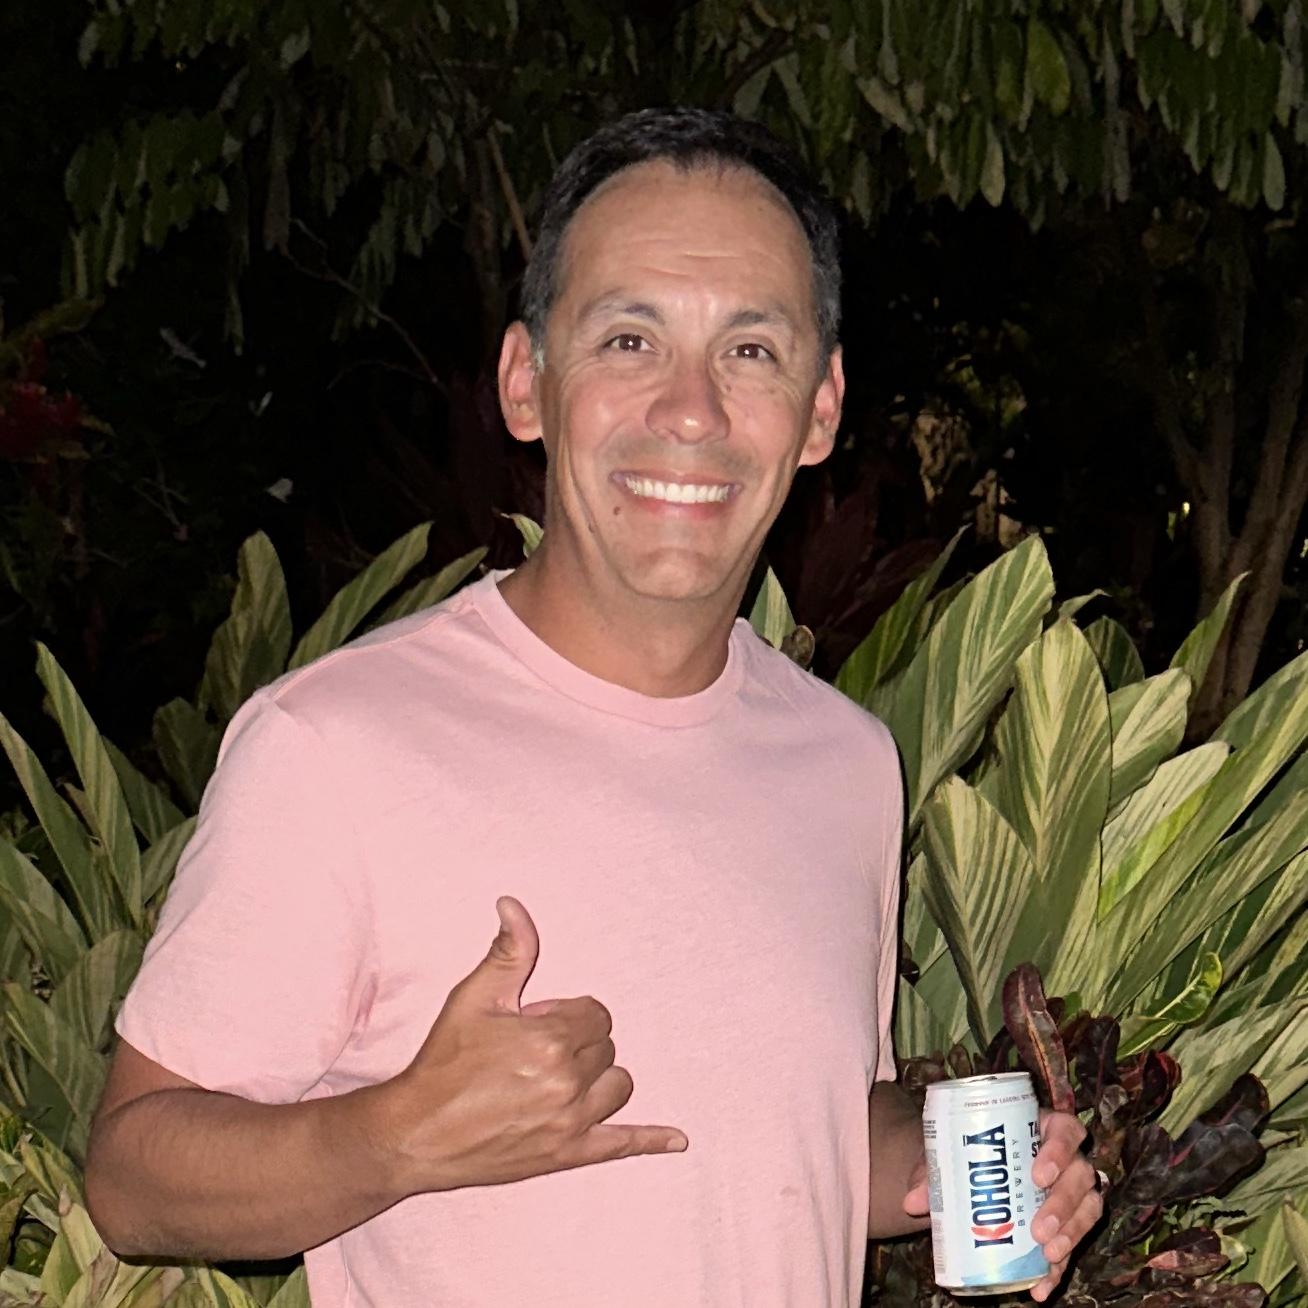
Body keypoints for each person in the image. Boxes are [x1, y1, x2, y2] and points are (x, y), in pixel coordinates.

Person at [85, 107, 1101, 1305]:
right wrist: (394, 1136)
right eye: (629, 339)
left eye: (751, 350)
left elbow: (820, 1131)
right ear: (527, 381)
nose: (691, 410)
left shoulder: (847, 761)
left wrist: (974, 1173)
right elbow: (132, 1182)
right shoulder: (334, 746)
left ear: (820, 408)